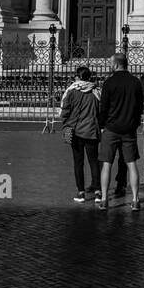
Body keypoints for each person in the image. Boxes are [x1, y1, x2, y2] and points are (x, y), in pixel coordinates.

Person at [97, 53, 144, 211]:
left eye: (111, 63)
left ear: (116, 65)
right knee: (132, 164)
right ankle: (136, 199)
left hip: (111, 128)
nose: (110, 65)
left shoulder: (109, 83)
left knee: (107, 164)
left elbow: (103, 108)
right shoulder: (136, 82)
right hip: (129, 129)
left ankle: (104, 199)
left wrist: (102, 125)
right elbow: (139, 107)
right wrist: (135, 123)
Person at [59, 65, 101, 202]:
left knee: (78, 162)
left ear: (77, 77)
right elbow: (102, 111)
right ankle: (98, 191)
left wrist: (65, 125)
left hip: (76, 132)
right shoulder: (96, 92)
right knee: (94, 162)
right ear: (90, 77)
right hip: (92, 131)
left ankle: (81, 192)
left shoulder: (71, 92)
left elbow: (64, 111)